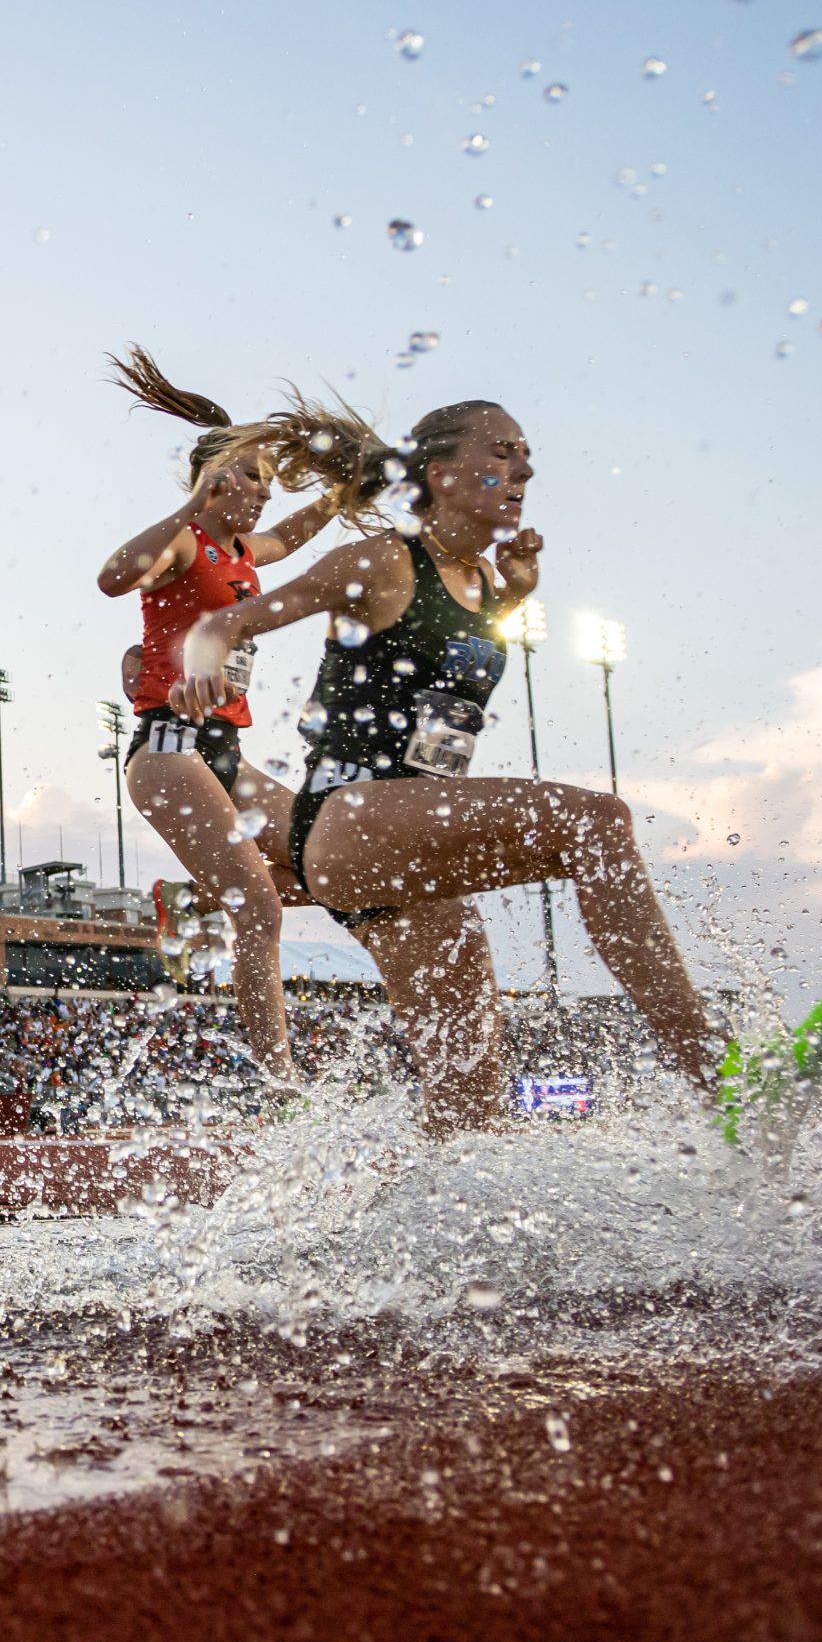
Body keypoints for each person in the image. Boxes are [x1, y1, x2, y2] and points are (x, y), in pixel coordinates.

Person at [171, 395, 719, 1132]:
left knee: (471, 1108)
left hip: (411, 853)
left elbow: (449, 680)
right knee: (596, 822)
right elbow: (225, 620)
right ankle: (712, 1068)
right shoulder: (384, 562)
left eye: (524, 452)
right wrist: (209, 672)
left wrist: (517, 591)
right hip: (353, 817)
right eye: (500, 452)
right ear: (442, 473)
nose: (523, 466)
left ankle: (407, 1236)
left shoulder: (489, 587)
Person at [93, 348, 334, 1074]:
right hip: (169, 751)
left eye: (268, 481)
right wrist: (188, 503)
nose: (265, 493)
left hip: (226, 753)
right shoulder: (182, 540)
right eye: (254, 477)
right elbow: (110, 578)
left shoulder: (239, 551)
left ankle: (191, 895)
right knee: (259, 911)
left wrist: (342, 496)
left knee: (331, 862)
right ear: (214, 478)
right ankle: (282, 1086)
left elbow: (289, 536)